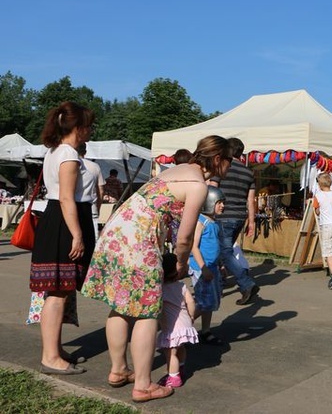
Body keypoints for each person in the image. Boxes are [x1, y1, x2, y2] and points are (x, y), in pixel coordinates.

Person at [81, 135, 232, 403]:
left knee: (122, 306)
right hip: (141, 241)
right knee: (147, 314)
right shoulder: (197, 185)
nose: (231, 166)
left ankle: (118, 370)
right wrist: (182, 263)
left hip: (117, 233)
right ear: (218, 159)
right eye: (230, 160)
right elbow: (185, 237)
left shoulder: (174, 170)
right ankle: (143, 385)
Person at [30, 101, 96, 375]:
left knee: (59, 291)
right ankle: (50, 357)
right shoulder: (68, 153)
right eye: (89, 125)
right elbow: (67, 197)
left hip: (56, 219)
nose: (91, 131)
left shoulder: (55, 150)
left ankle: (54, 350)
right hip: (64, 222)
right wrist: (77, 235)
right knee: (57, 293)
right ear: (79, 128)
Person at [209, 137, 259, 305]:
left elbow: (212, 190)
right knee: (223, 251)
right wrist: (251, 222)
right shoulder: (248, 172)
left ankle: (246, 283)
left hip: (223, 215)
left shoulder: (222, 167)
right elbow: (250, 200)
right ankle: (220, 283)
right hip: (240, 216)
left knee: (224, 252)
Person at [189, 186, 226, 346]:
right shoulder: (201, 221)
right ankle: (181, 327)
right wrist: (203, 268)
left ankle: (205, 330)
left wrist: (221, 265)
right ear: (209, 202)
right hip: (201, 267)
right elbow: (194, 246)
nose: (222, 206)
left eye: (222, 203)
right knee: (204, 301)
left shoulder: (215, 223)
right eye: (219, 203)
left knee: (210, 301)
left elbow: (217, 246)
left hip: (213, 267)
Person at [156, 252, 198, 388]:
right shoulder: (181, 286)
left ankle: (173, 377)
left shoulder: (161, 289)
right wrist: (191, 316)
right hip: (185, 322)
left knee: (171, 352)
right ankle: (181, 368)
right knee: (181, 348)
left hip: (172, 326)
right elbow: (191, 302)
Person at [77, 143, 105, 240]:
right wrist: (98, 206)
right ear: (85, 152)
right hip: (91, 207)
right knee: (93, 238)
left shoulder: (70, 165)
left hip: (74, 207)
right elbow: (100, 191)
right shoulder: (95, 166)